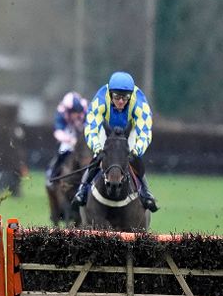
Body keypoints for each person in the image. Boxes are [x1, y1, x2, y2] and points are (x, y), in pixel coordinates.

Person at [72, 71, 158, 211]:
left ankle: (145, 192)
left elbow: (145, 132)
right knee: (96, 156)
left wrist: (136, 151)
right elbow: (91, 128)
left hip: (130, 130)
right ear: (110, 94)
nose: (121, 102)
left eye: (125, 98)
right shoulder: (100, 100)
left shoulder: (140, 103)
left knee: (136, 157)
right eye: (117, 97)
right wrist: (98, 148)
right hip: (106, 129)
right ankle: (82, 190)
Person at [45, 91, 88, 185]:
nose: (77, 115)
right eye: (74, 112)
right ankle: (52, 175)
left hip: (81, 137)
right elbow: (58, 131)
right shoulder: (61, 113)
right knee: (62, 152)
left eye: (78, 112)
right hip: (67, 137)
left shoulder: (85, 111)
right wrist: (70, 140)